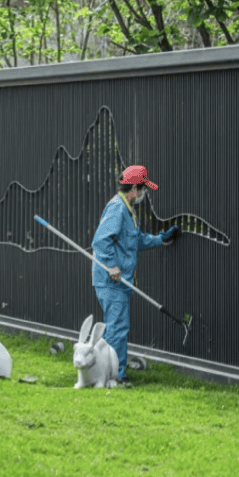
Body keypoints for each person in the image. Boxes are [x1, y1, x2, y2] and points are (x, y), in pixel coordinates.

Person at [91, 165, 180, 386]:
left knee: (117, 326)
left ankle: (106, 370)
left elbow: (135, 239)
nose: (144, 195)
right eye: (143, 190)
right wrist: (111, 266)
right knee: (118, 328)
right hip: (111, 281)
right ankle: (115, 375)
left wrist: (160, 239)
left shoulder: (128, 209)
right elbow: (101, 241)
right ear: (133, 189)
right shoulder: (117, 209)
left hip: (119, 282)